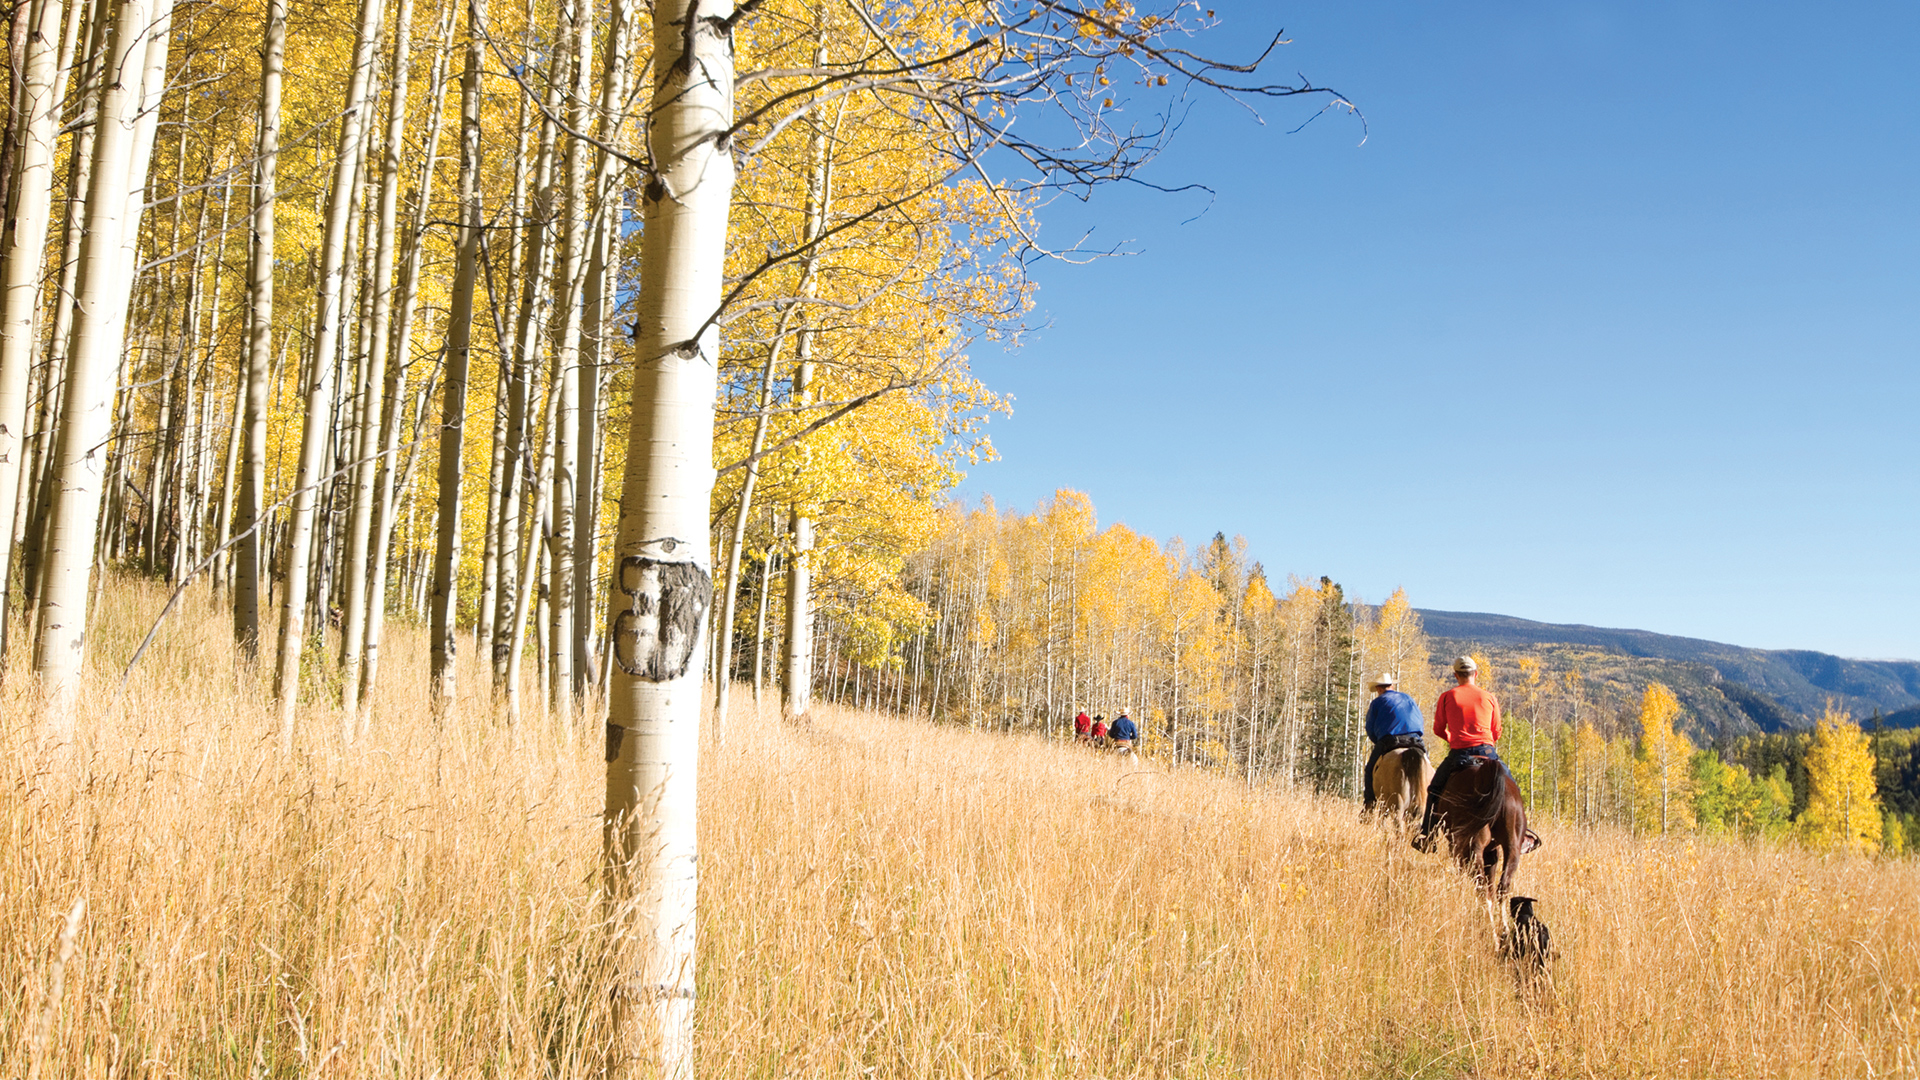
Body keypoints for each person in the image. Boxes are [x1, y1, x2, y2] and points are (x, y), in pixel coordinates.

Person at [1418, 655, 1508, 844]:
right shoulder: (1489, 697)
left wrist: (1453, 739)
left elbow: (1438, 729)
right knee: (1511, 786)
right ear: (1475, 674)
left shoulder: (1447, 697)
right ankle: (1522, 832)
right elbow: (1497, 731)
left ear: (1455, 675)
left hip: (1460, 754)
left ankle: (1428, 835)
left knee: (1434, 790)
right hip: (1488, 753)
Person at [1361, 673, 1427, 812]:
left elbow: (1370, 728)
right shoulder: (1408, 698)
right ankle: (1432, 808)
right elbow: (1420, 722)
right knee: (1428, 768)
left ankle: (1369, 806)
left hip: (1390, 741)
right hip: (1415, 740)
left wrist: (1378, 741)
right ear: (1392, 685)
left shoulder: (1377, 702)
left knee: (1369, 769)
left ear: (1378, 688)